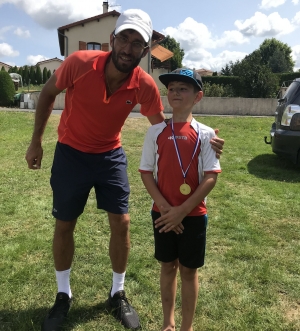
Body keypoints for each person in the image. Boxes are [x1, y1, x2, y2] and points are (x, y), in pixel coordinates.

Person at [25, 8, 224, 331]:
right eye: (124, 39)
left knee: (122, 222)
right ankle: (63, 295)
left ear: (144, 51)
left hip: (110, 155)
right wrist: (36, 143)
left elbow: (165, 129)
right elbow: (48, 94)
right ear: (112, 40)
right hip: (70, 153)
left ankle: (117, 292)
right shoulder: (78, 64)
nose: (128, 48)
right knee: (64, 224)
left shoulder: (143, 85)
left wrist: (206, 139)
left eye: (137, 44)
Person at [139, 68, 221, 331]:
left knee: (188, 271)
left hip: (193, 216)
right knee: (167, 266)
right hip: (162, 214)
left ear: (198, 96)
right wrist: (166, 209)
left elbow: (210, 177)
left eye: (183, 88)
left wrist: (182, 211)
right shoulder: (155, 132)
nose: (175, 92)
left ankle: (186, 326)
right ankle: (168, 323)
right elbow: (145, 172)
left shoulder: (207, 134)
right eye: (171, 88)